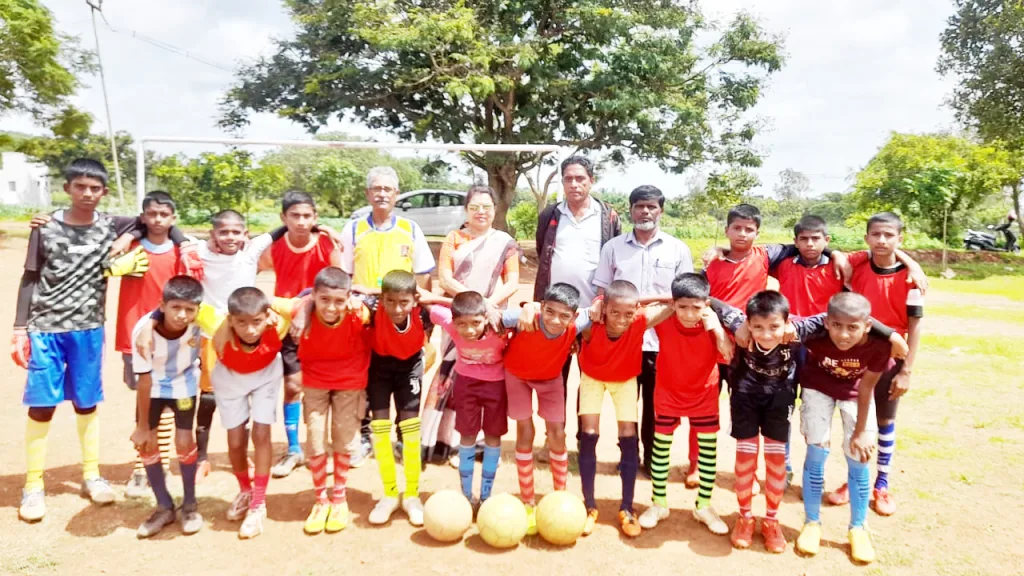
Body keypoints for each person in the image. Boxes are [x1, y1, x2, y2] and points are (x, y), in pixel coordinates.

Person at [11, 159, 189, 523]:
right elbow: (29, 278)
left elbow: (156, 220)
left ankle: (91, 475)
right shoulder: (45, 227)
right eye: (80, 187)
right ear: (68, 188)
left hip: (89, 328)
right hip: (46, 329)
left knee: (86, 404)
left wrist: (156, 238)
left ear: (103, 192)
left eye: (94, 188)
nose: (87, 194)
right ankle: (33, 485)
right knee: (42, 406)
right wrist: (19, 328)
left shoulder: (112, 225)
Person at [710, 292, 907, 553]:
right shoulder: (749, 326)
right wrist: (739, 325)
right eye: (758, 326)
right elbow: (711, 301)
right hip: (755, 399)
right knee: (758, 460)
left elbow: (840, 318)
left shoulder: (800, 329)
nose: (767, 334)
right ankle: (764, 519)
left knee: (789, 462)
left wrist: (892, 334)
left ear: (788, 322)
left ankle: (786, 522)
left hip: (785, 401)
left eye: (774, 327)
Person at [139, 286, 300, 538]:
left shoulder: (277, 322)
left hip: (265, 377)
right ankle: (245, 490)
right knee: (235, 442)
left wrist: (269, 303)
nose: (249, 330)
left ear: (267, 316)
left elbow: (305, 301)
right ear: (230, 319)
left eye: (256, 322)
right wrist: (149, 325)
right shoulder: (215, 321)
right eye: (241, 323)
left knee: (261, 434)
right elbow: (176, 304)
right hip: (229, 378)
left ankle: (258, 503)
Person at [827, 212, 925, 517]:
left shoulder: (909, 279)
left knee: (884, 420)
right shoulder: (858, 264)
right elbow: (836, 252)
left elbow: (916, 325)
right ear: (867, 237)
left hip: (892, 356)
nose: (882, 241)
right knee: (857, 420)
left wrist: (907, 370)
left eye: (889, 235)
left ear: (900, 238)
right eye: (876, 235)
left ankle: (882, 483)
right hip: (856, 353)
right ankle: (855, 478)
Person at [592, 185, 692, 477]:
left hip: (663, 341)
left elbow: (683, 296)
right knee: (625, 403)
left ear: (661, 210)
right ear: (630, 209)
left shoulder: (677, 249)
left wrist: (650, 302)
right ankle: (627, 457)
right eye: (639, 206)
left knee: (656, 405)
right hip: (623, 340)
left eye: (651, 206)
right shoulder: (613, 248)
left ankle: (652, 459)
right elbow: (603, 292)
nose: (645, 212)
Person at [339, 167, 436, 459]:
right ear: (368, 194)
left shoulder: (410, 229)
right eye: (376, 189)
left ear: (396, 195)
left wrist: (424, 318)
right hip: (366, 314)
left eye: (388, 189)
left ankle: (402, 437)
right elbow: (345, 274)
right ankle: (368, 436)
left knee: (405, 372)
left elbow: (423, 276)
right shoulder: (354, 228)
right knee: (370, 375)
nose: (382, 194)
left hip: (400, 312)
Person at [423, 185, 518, 466]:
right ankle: (446, 442)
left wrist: (488, 305)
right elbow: (445, 279)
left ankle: (482, 443)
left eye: (486, 207)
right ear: (466, 210)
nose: (481, 212)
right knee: (456, 378)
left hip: (490, 319)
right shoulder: (454, 238)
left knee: (487, 379)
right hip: (459, 318)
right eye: (474, 207)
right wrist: (473, 302)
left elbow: (512, 281)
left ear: (495, 210)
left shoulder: (505, 242)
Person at [795, 293, 894, 564]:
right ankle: (812, 522)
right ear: (826, 323)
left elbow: (865, 389)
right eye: (837, 325)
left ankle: (858, 528)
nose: (844, 334)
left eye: (853, 327)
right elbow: (781, 321)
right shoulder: (814, 335)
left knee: (860, 456)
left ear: (867, 326)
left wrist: (861, 431)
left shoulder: (878, 346)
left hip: (855, 394)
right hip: (818, 388)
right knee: (817, 451)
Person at [637, 273, 733, 536]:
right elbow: (630, 308)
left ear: (706, 304)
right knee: (660, 450)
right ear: (674, 303)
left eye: (696, 307)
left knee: (708, 453)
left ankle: (703, 506)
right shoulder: (665, 318)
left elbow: (727, 352)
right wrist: (664, 305)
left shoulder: (715, 322)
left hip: (704, 394)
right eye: (682, 307)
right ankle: (659, 504)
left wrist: (714, 325)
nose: (689, 314)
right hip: (668, 393)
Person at [194, 210, 288, 479]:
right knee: (209, 396)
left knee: (247, 394)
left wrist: (319, 228)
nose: (230, 237)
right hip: (215, 333)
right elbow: (177, 236)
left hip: (247, 330)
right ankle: (202, 456)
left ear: (245, 234)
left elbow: (278, 231)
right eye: (223, 232)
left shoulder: (250, 252)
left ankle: (244, 453)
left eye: (236, 232)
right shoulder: (202, 251)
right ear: (213, 235)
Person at [578, 280, 674, 537]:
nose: (621, 319)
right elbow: (567, 314)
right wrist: (596, 305)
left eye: (628, 313)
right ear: (604, 308)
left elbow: (675, 300)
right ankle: (589, 505)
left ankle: (626, 507)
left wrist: (639, 301)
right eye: (615, 312)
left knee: (628, 435)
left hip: (625, 381)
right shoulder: (591, 325)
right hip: (592, 378)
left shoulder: (640, 320)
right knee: (588, 435)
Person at [115, 191, 194, 498]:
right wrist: (131, 232)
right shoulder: (129, 247)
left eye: (164, 215)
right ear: (143, 216)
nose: (158, 220)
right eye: (152, 214)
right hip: (134, 337)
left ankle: (156, 464)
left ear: (173, 218)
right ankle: (141, 465)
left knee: (169, 402)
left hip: (173, 337)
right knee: (144, 402)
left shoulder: (183, 251)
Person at [534, 156, 622, 429]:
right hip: (556, 315)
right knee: (554, 377)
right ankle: (554, 434)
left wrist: (602, 303)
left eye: (580, 178)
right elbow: (542, 252)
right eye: (568, 179)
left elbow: (614, 259)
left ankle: (586, 437)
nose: (574, 184)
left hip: (593, 314)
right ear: (562, 182)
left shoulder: (608, 216)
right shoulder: (551, 215)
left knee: (590, 380)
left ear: (591, 181)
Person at [259, 191, 342, 478]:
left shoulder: (327, 245)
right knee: (293, 386)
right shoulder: (273, 249)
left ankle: (323, 448)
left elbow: (340, 282)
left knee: (327, 389)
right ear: (283, 218)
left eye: (307, 216)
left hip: (325, 325)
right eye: (294, 215)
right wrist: (262, 306)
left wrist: (307, 305)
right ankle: (294, 448)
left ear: (316, 218)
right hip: (289, 327)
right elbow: (248, 273)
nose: (301, 221)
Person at [503, 283, 592, 535]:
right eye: (550, 312)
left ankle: (560, 498)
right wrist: (526, 308)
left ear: (574, 316)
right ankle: (528, 501)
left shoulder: (577, 322)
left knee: (557, 433)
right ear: (542, 307)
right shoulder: (526, 318)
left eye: (565, 315)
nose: (555, 320)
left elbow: (600, 307)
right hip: (517, 375)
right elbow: (492, 314)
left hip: (550, 379)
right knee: (525, 431)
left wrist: (596, 303)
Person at [362, 270, 447, 527]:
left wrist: (431, 297)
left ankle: (411, 495)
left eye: (404, 302)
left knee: (410, 432)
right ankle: (389, 494)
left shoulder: (424, 311)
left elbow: (465, 305)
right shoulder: (372, 308)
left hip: (409, 368)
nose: (397, 309)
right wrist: (370, 293)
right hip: (378, 368)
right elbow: (324, 295)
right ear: (382, 298)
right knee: (380, 429)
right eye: (390, 301)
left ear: (414, 300)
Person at [130, 276, 206, 538]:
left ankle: (190, 504)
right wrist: (141, 427)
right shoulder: (143, 332)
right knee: (147, 443)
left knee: (184, 441)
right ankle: (164, 506)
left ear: (197, 309)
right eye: (175, 307)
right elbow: (144, 380)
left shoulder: (201, 320)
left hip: (183, 385)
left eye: (189, 309)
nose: (182, 315)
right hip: (152, 387)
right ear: (162, 305)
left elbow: (228, 320)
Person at [297, 267, 371, 535]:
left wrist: (356, 301)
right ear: (314, 295)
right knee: (315, 438)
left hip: (350, 383)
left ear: (349, 298)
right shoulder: (301, 308)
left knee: (344, 438)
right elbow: (270, 302)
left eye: (339, 300)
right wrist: (304, 306)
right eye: (324, 299)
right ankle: (320, 499)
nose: (331, 307)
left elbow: (378, 306)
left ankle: (339, 497)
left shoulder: (358, 313)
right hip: (314, 381)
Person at [428, 291, 508, 504]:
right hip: (465, 386)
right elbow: (428, 305)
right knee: (467, 435)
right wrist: (447, 301)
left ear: (485, 318)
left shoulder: (500, 324)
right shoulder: (450, 322)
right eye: (462, 324)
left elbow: (532, 313)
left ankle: (485, 496)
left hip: (497, 387)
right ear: (454, 321)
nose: (469, 330)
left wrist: (491, 307)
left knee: (493, 435)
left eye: (476, 322)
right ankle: (466, 495)